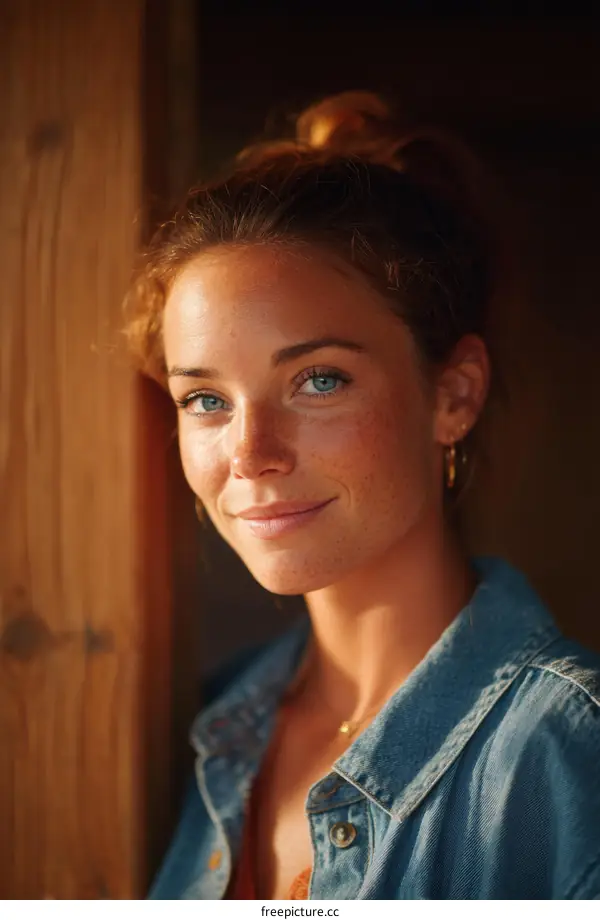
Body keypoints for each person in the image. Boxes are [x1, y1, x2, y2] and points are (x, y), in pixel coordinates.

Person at [125, 91, 600, 900]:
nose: (251, 455)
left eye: (318, 380)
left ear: (454, 394)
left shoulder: (567, 754)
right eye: (206, 399)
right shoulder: (189, 732)